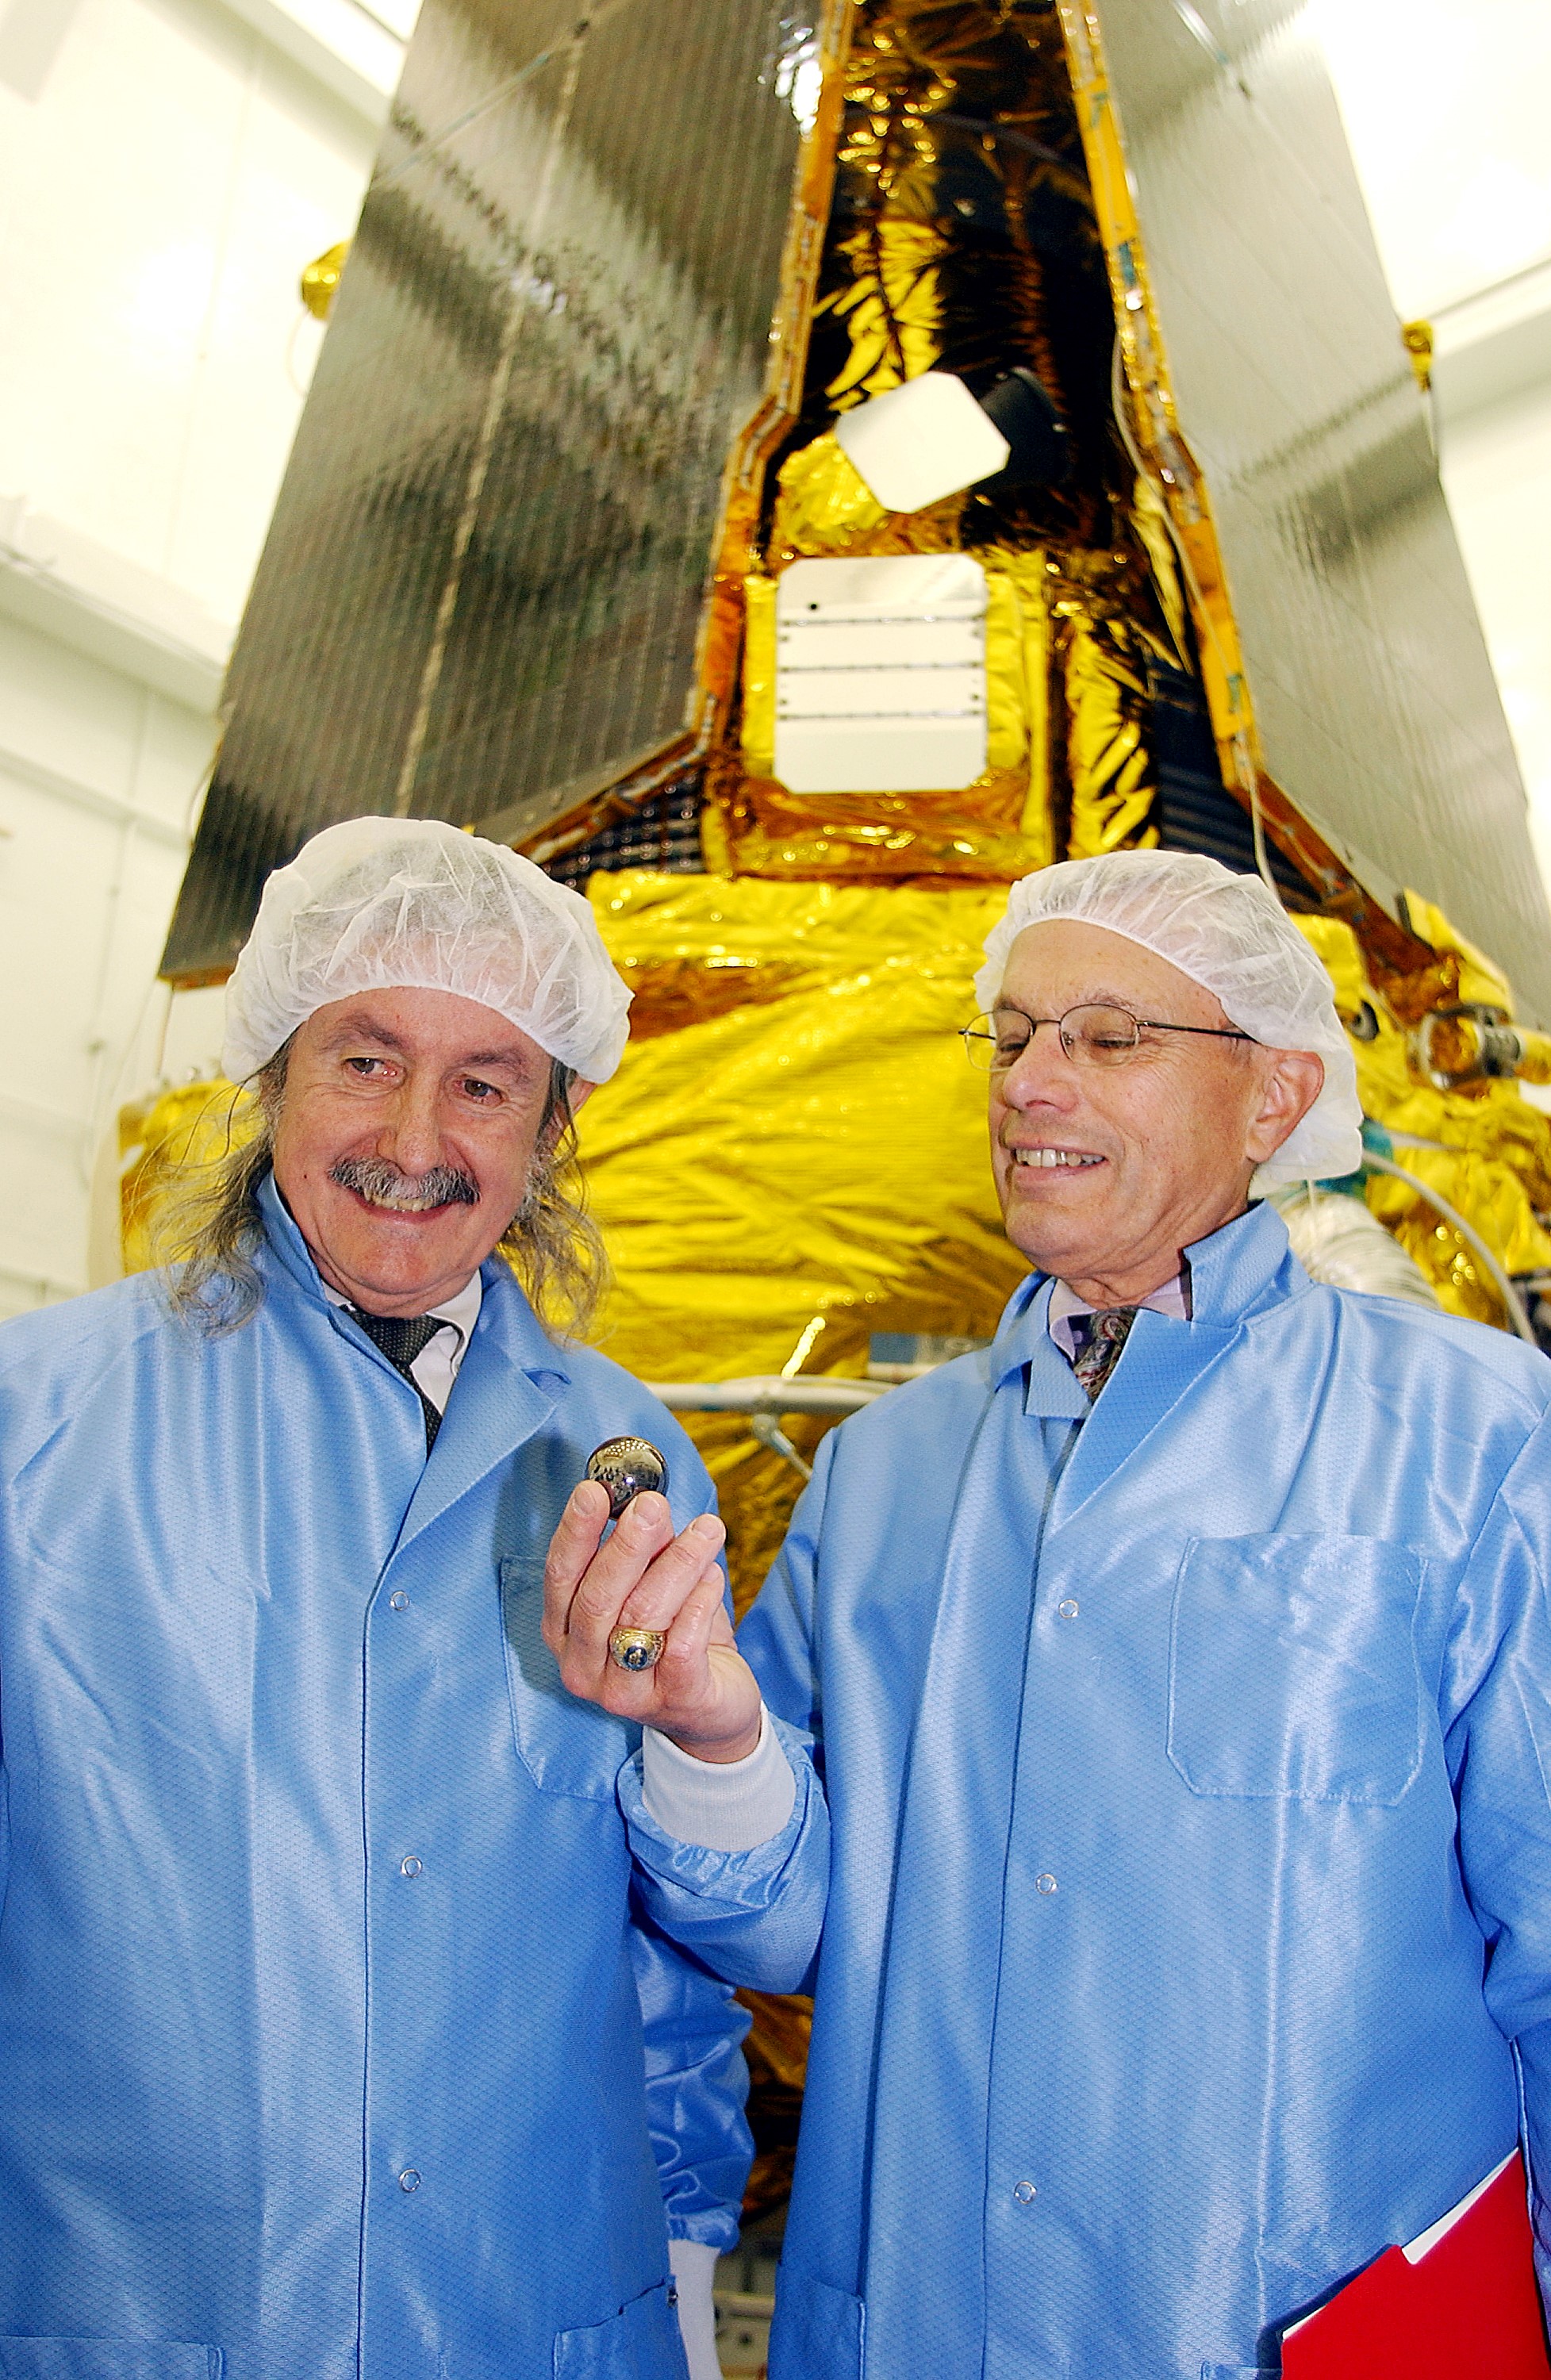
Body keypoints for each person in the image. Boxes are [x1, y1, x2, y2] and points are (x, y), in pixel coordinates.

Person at [0, 816, 822, 2380]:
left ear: (551, 1129)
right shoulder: (34, 1426)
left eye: (486, 1083)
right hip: (134, 2318)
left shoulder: (625, 1457)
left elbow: (731, 1947)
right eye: (367, 1060)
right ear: (275, 1074)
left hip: (530, 2317)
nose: (419, 1133)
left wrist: (717, 1745)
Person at [731, 850, 1551, 2378]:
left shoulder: (1472, 1437)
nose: (1033, 1083)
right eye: (1015, 1034)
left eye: (1110, 1039)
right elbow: (778, 1926)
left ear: (1271, 1096)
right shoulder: (883, 1478)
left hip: (1308, 2329)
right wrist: (704, 1738)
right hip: (925, 2326)